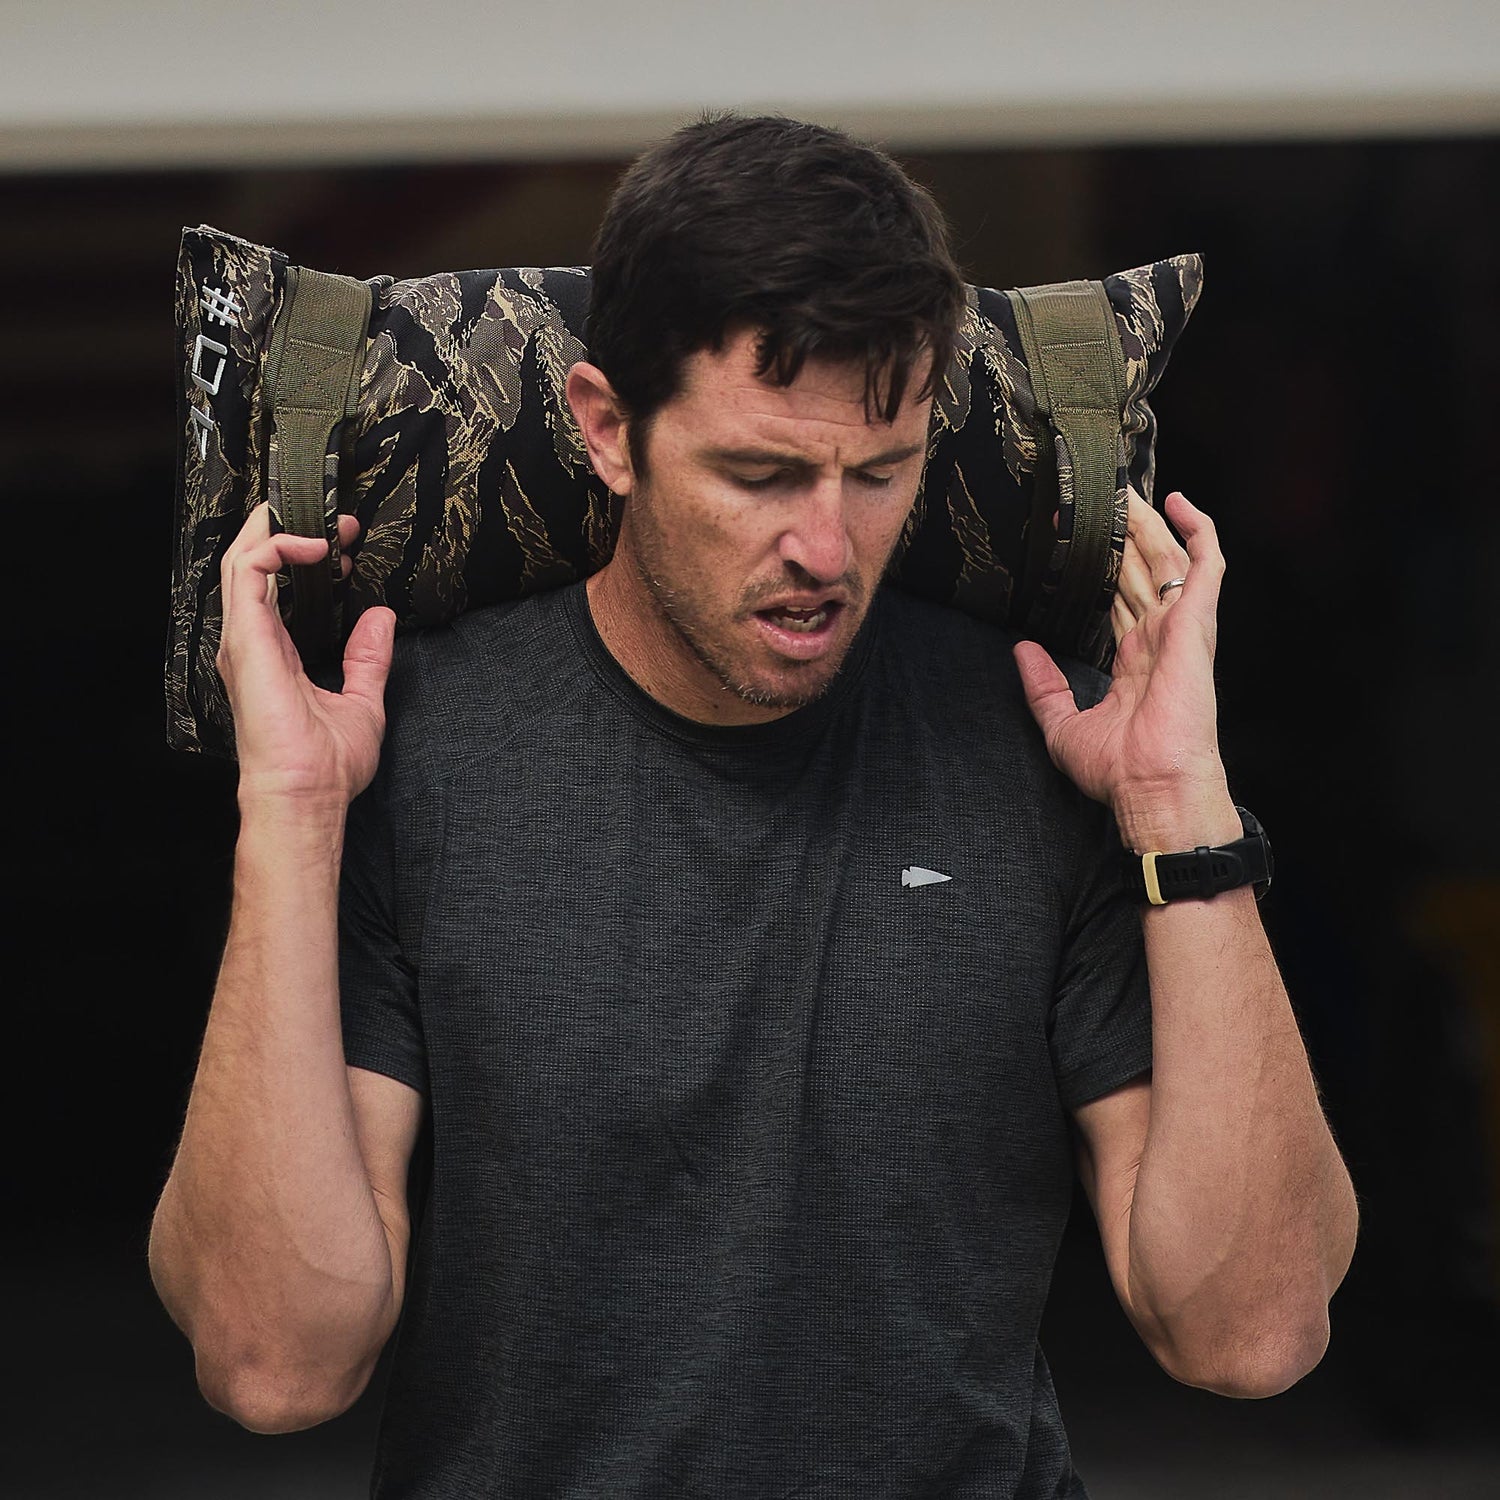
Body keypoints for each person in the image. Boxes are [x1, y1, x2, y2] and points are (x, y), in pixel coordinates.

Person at [148, 113, 1359, 1498]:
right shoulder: (409, 758)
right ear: (610, 431)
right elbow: (275, 1362)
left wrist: (1179, 804)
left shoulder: (1051, 752)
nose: (825, 551)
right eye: (760, 472)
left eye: (880, 471)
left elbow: (1252, 1332)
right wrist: (293, 817)